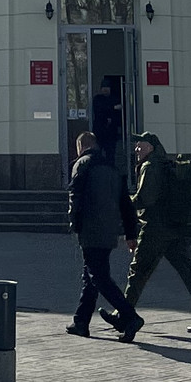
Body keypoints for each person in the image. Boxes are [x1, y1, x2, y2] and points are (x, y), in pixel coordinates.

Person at [121, 133, 191, 335]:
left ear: (151, 147)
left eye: (140, 145)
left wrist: (124, 202)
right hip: (176, 227)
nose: (136, 149)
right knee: (189, 273)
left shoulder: (150, 166)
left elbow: (146, 198)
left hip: (156, 228)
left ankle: (123, 315)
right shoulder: (165, 165)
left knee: (138, 272)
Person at [66, 128, 138, 339]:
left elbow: (75, 196)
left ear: (81, 146)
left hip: (90, 228)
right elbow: (126, 203)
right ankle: (81, 322)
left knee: (99, 278)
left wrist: (74, 224)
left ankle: (130, 316)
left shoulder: (82, 164)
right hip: (109, 230)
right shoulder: (112, 166)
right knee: (91, 275)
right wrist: (130, 233)